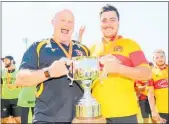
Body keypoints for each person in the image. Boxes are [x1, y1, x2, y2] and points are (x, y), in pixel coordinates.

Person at [15, 9, 90, 123]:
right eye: (62, 20)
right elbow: (20, 79)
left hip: (79, 119)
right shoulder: (39, 47)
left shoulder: (83, 50)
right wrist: (49, 72)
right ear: (53, 22)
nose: (66, 23)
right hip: (47, 119)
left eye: (70, 21)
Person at [90, 4, 152, 123]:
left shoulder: (130, 44)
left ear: (118, 22)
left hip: (125, 114)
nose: (108, 24)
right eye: (104, 20)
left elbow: (147, 73)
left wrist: (119, 69)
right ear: (99, 24)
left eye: (112, 20)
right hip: (96, 115)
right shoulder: (91, 48)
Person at [147, 49, 168, 123]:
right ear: (153, 59)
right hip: (163, 111)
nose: (160, 59)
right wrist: (153, 111)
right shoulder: (150, 73)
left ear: (165, 57)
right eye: (157, 57)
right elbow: (150, 94)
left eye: (162, 56)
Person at [1, 56, 21, 123]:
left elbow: (23, 84)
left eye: (6, 60)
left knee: (18, 120)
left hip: (16, 99)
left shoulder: (19, 71)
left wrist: (15, 85)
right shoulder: (2, 72)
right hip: (4, 99)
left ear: (12, 61)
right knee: (3, 121)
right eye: (4, 61)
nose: (4, 62)